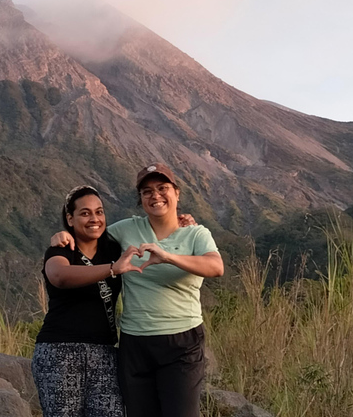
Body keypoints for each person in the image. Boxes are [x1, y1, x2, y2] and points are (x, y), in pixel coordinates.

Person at [51, 163, 224, 417]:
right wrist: (61, 236)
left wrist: (168, 257)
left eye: (162, 188)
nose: (155, 196)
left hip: (181, 342)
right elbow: (91, 232)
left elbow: (215, 266)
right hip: (135, 343)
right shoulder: (127, 229)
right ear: (141, 199)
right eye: (147, 191)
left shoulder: (196, 234)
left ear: (177, 193)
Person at [31, 185, 143, 417]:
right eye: (85, 213)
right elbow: (59, 276)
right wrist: (112, 269)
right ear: (70, 219)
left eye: (99, 212)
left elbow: (151, 233)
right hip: (59, 351)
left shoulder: (113, 248)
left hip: (105, 352)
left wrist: (181, 223)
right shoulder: (61, 250)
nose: (94, 219)